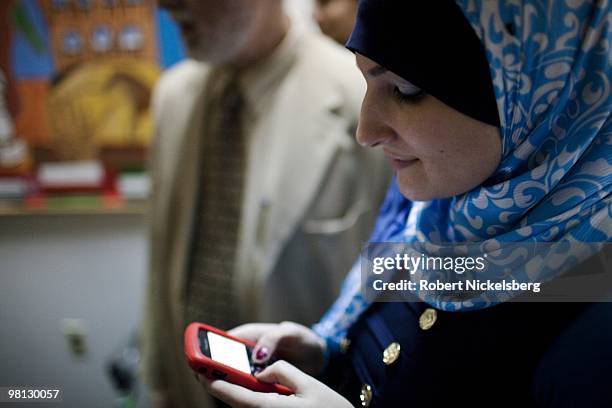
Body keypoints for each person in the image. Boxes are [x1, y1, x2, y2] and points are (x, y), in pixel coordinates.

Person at [197, 0, 612, 406]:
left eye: (405, 89)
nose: (365, 130)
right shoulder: (430, 207)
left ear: (541, 87)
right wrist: (326, 353)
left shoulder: (597, 306)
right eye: (366, 81)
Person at [141, 0, 390, 407]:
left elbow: (399, 276)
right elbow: (160, 260)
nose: (164, 5)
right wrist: (158, 385)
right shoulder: (172, 97)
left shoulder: (366, 97)